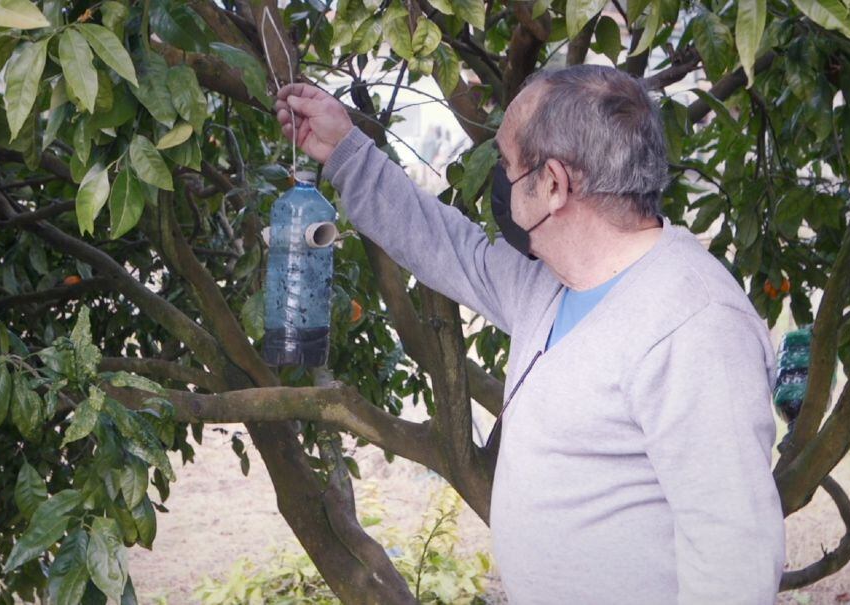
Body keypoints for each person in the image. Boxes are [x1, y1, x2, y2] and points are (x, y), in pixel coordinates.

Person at [274, 65, 786, 604]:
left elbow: (734, 558)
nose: (498, 176)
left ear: (554, 184)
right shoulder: (552, 285)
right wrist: (344, 149)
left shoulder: (694, 324)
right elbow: (445, 244)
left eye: (506, 162)